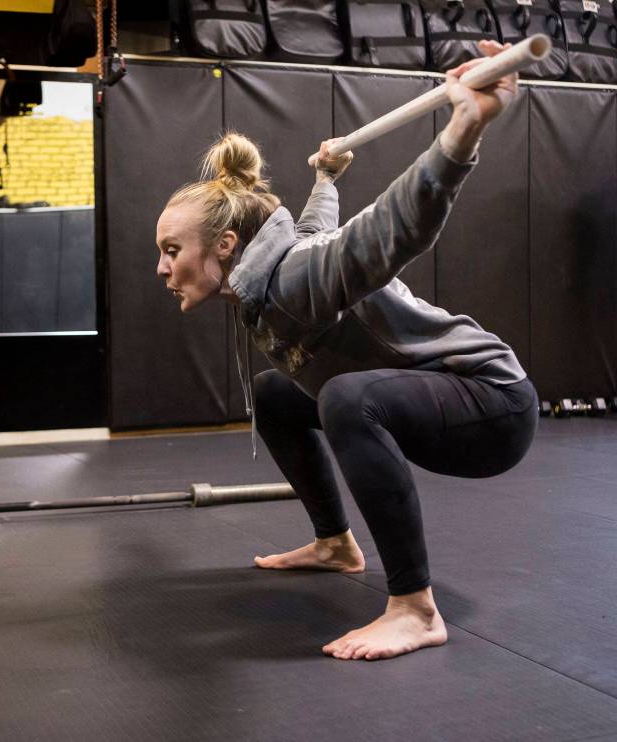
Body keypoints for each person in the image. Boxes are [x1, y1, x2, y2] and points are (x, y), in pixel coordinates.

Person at [154, 41, 537, 661]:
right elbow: (310, 231)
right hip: (433, 401)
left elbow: (394, 228)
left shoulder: (293, 281)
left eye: (172, 250)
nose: (162, 266)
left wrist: (465, 125)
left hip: (492, 404)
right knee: (279, 392)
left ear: (225, 245)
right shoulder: (268, 275)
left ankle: (415, 608)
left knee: (345, 396)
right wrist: (326, 178)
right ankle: (335, 544)